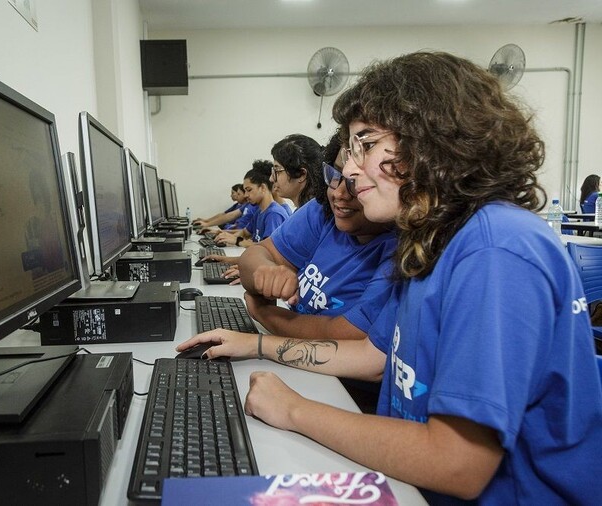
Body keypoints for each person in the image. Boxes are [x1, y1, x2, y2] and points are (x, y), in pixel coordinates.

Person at [177, 51, 602, 504]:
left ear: (435, 140)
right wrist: (255, 344)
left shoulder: (495, 250)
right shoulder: (432, 238)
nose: (351, 169)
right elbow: (376, 356)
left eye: (366, 144)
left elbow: (458, 464)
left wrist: (296, 410)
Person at [237, 131, 396, 343]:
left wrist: (265, 313)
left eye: (356, 182)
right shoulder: (323, 212)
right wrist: (265, 271)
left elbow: (347, 336)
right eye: (336, 175)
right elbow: (257, 254)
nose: (339, 194)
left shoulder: (396, 251)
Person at [215, 161, 291, 248]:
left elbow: (267, 248)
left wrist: (237, 241)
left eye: (249, 190)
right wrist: (227, 236)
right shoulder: (260, 211)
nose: (246, 195)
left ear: (262, 188)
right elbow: (245, 232)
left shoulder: (273, 214)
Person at [270, 134, 323, 208]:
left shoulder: (312, 216)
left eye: (277, 171)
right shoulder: (307, 212)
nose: (271, 179)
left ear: (302, 174)